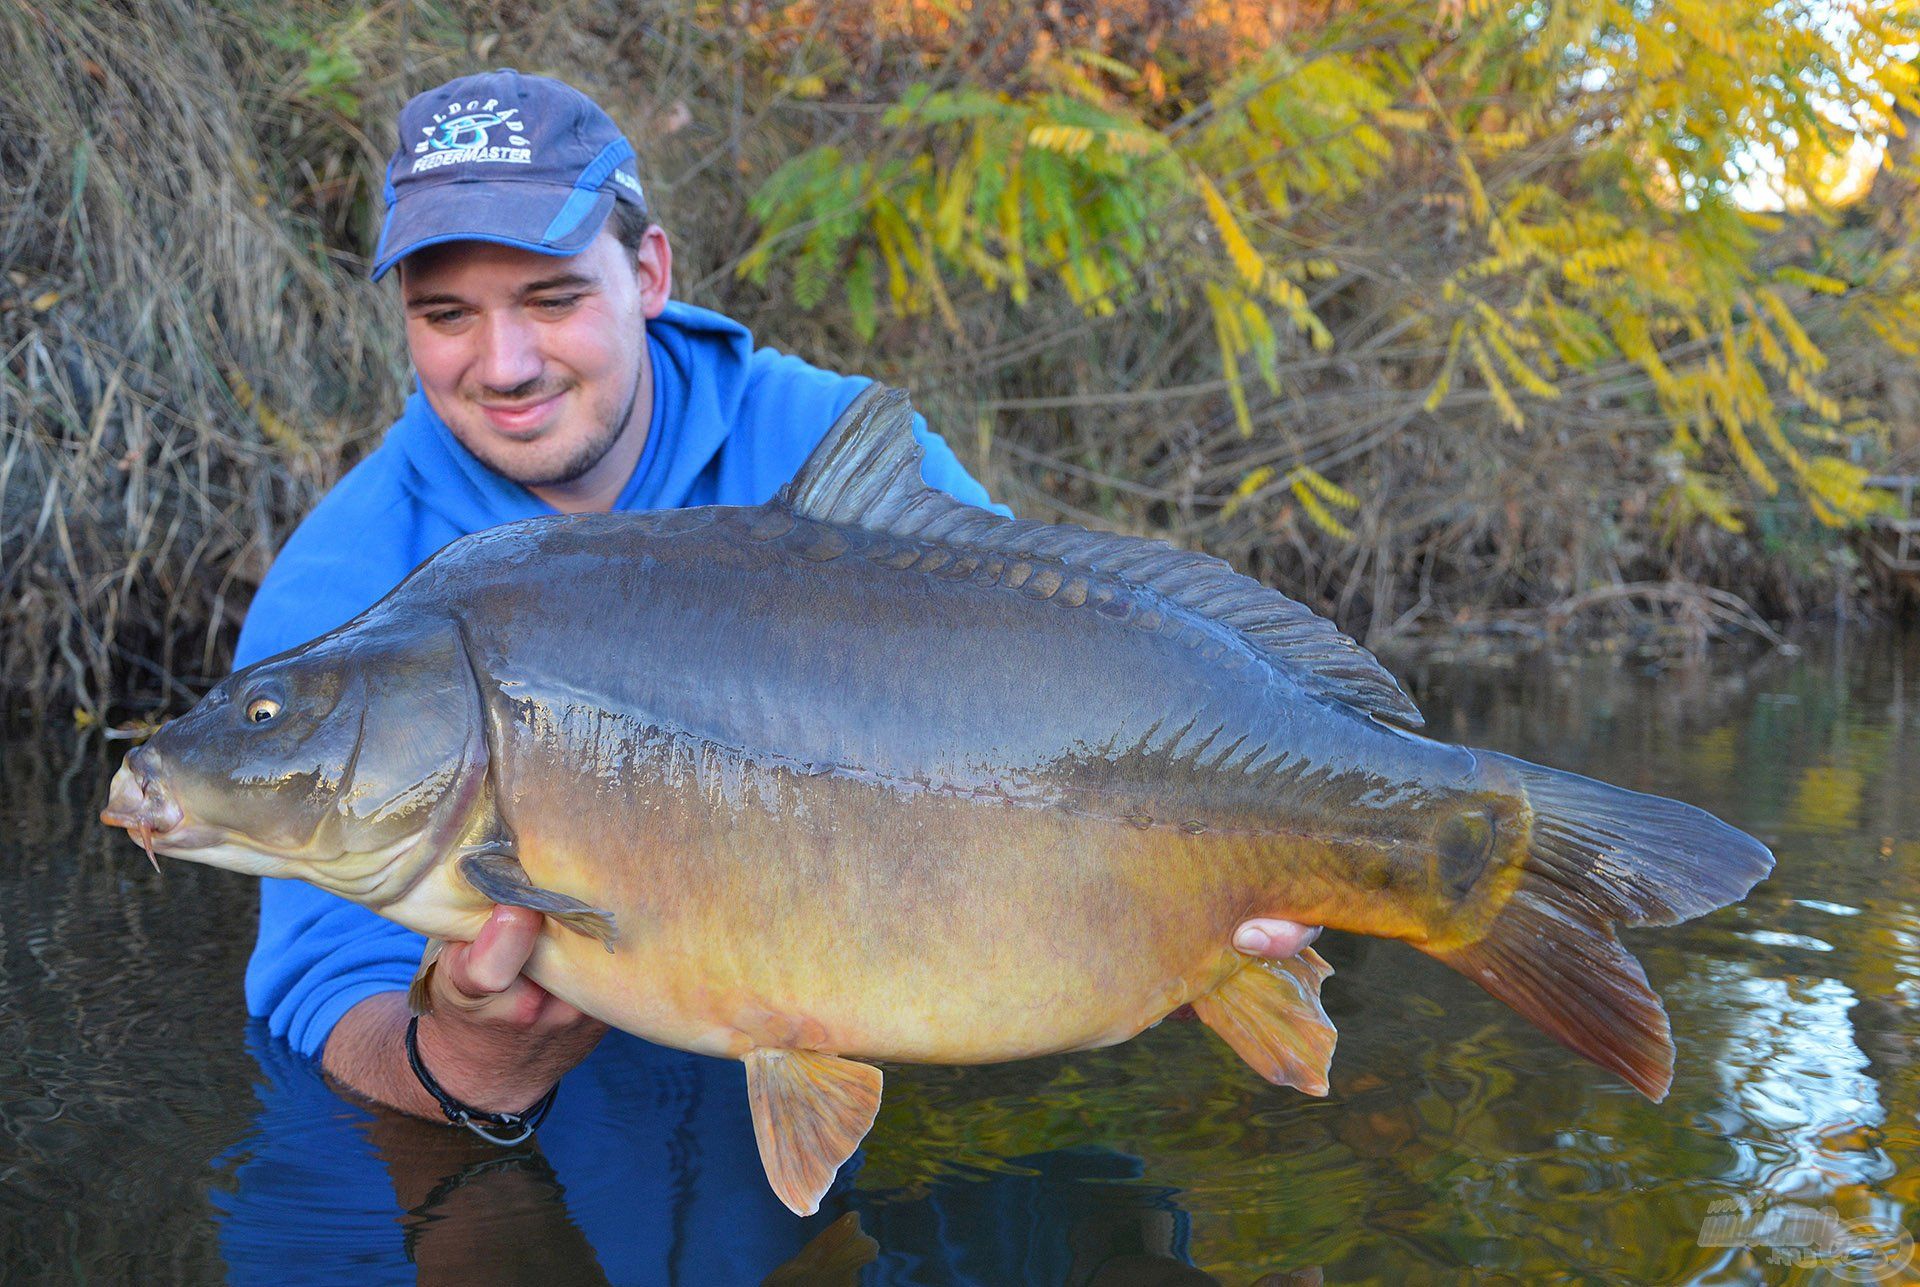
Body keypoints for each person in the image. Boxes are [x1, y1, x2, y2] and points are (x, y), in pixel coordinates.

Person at [235, 69, 1321, 1141]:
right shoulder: (346, 593)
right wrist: (472, 1064)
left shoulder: (818, 449)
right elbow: (323, 999)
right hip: (569, 1159)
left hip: (887, 1126)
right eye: (446, 315)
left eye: (553, 299)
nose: (506, 362)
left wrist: (1225, 862)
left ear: (647, 270)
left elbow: (1050, 684)